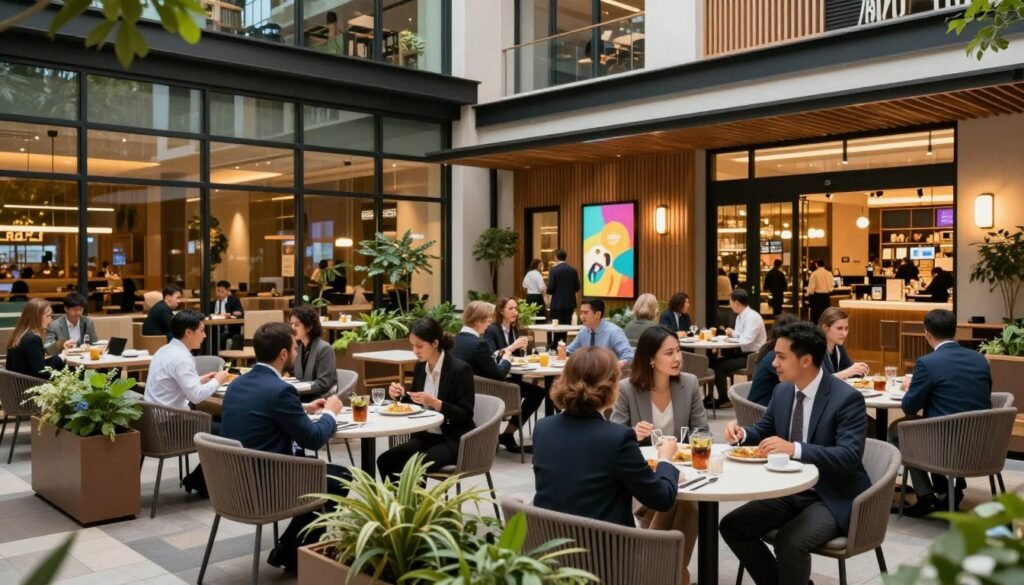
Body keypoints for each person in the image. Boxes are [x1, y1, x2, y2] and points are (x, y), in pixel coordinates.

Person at [721, 322, 870, 585]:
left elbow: (848, 457)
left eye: (780, 357)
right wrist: (742, 434)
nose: (773, 363)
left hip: (831, 494)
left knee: (790, 542)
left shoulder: (846, 399)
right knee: (732, 526)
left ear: (806, 360)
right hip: (790, 489)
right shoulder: (783, 391)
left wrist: (795, 449)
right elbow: (764, 429)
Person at [221, 322, 348, 572]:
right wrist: (331, 413)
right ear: (283, 354)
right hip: (267, 486)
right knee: (343, 478)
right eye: (294, 348)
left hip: (233, 483)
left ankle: (289, 550)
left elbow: (261, 411)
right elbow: (312, 439)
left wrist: (302, 409)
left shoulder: (237, 384)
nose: (296, 353)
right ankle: (291, 552)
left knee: (319, 470)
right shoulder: (281, 390)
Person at [533, 346, 680, 527]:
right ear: (611, 386)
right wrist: (665, 460)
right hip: (604, 550)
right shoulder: (617, 439)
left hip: (548, 545)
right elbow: (662, 498)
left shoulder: (543, 429)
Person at [610, 326, 705, 583]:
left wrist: (686, 449)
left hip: (681, 470)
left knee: (688, 504)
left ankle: (662, 572)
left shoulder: (689, 383)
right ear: (651, 358)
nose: (677, 358)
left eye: (679, 351)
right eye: (669, 353)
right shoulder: (627, 389)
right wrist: (633, 433)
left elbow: (702, 431)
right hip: (641, 476)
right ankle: (677, 573)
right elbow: (614, 437)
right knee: (677, 504)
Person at [896, 309, 991, 517]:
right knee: (936, 424)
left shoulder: (927, 363)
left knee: (898, 430)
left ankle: (925, 495)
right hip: (984, 443)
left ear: (927, 334)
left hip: (947, 445)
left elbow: (909, 407)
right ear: (954, 331)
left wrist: (909, 388)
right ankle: (949, 489)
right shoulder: (980, 360)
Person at [378, 318, 476, 481]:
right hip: (426, 436)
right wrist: (401, 395)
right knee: (385, 460)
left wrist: (436, 403)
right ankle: (397, 505)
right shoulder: (420, 367)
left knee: (413, 466)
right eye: (412, 346)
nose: (415, 351)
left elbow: (466, 414)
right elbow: (415, 404)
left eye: (419, 345)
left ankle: (415, 506)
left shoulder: (460, 369)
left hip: (453, 439)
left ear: (435, 343)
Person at [144, 310, 229, 496]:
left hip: (155, 423)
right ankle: (199, 481)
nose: (205, 336)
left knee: (220, 425)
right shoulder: (182, 358)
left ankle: (199, 480)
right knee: (229, 432)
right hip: (172, 427)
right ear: (188, 333)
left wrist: (199, 379)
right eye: (202, 331)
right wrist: (219, 380)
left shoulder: (164, 351)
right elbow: (197, 397)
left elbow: (174, 386)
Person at [483, 297, 546, 454]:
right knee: (537, 393)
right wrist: (513, 346)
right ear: (501, 311)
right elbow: (491, 355)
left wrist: (528, 351)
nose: (515, 312)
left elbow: (518, 356)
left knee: (538, 392)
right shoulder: (492, 330)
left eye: (516, 309)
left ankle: (508, 433)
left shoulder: (514, 329)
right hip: (498, 381)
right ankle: (508, 434)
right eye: (511, 309)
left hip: (513, 378)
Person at [711, 289, 767, 407]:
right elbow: (740, 337)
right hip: (742, 352)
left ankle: (724, 398)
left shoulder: (753, 317)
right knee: (713, 362)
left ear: (737, 303)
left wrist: (734, 335)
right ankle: (710, 397)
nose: (729, 304)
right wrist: (732, 334)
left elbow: (747, 340)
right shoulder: (740, 316)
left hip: (753, 356)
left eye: (730, 301)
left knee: (718, 366)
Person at [5, 298, 73, 379]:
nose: (50, 320)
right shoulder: (32, 339)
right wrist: (61, 357)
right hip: (29, 385)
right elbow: (41, 371)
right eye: (48, 316)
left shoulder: (21, 334)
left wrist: (61, 348)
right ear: (37, 317)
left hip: (17, 384)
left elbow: (38, 361)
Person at [747, 313, 799, 407]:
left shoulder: (771, 350)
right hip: (760, 412)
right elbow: (798, 384)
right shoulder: (775, 357)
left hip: (769, 407)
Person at [565, 298, 634, 368]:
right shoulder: (583, 331)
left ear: (598, 314)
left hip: (608, 375)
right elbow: (570, 351)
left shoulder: (614, 332)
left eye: (586, 313)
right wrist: (561, 351)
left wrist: (612, 367)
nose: (582, 316)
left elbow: (629, 356)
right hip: (586, 373)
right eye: (581, 313)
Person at [290, 305, 338, 400]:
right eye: (291, 324)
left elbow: (323, 384)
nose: (292, 328)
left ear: (309, 327)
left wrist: (298, 388)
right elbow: (297, 375)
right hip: (301, 398)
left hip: (320, 400)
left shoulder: (324, 348)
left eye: (296, 325)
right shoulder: (298, 348)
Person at [818, 308, 870, 380]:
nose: (844, 333)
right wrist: (847, 372)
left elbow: (849, 369)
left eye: (846, 328)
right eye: (839, 328)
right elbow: (820, 381)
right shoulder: (815, 349)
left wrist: (859, 370)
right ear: (825, 328)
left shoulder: (839, 347)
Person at [546, 249, 580, 343]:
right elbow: (577, 287)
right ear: (565, 257)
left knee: (556, 327)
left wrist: (549, 291)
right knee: (565, 326)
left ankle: (555, 346)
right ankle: (562, 346)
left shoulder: (554, 270)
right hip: (569, 303)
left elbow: (550, 288)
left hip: (557, 303)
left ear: (556, 257)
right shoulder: (573, 270)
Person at [805, 258, 834, 325]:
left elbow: (811, 288)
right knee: (825, 315)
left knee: (816, 316)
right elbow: (831, 288)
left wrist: (808, 293)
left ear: (816, 264)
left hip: (816, 297)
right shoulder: (829, 274)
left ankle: (816, 331)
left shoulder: (814, 274)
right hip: (826, 297)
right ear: (824, 265)